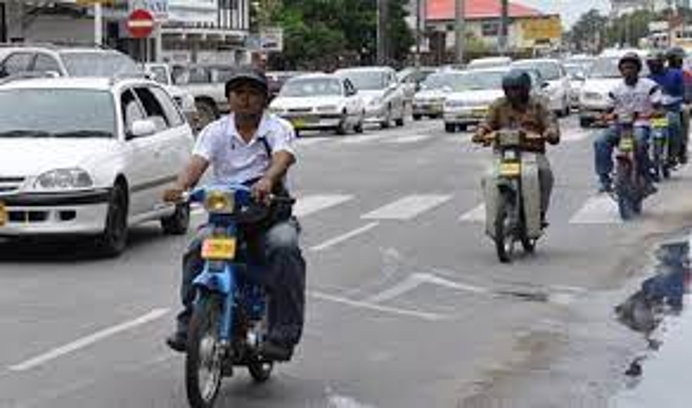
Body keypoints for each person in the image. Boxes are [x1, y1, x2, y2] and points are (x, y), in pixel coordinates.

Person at [163, 66, 306, 361]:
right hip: (226, 218)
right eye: (239, 92)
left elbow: (283, 156)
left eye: (253, 93)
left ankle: (283, 334)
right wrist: (180, 186)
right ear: (229, 98)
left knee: (285, 247)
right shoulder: (215, 131)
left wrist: (267, 180)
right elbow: (197, 162)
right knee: (196, 249)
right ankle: (189, 323)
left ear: (264, 99)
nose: (245, 99)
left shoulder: (277, 128)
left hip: (268, 216)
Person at [472, 69, 560, 225]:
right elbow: (486, 122)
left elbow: (550, 121)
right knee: (487, 177)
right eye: (509, 90)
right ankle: (493, 213)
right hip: (503, 153)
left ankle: (540, 213)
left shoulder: (539, 104)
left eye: (516, 89)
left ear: (526, 89)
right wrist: (480, 133)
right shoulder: (498, 105)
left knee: (545, 174)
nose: (513, 94)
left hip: (532, 152)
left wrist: (550, 132)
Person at [593, 52, 661, 193]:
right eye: (624, 68)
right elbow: (608, 109)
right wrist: (603, 117)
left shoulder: (650, 86)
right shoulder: (616, 89)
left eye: (631, 67)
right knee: (600, 141)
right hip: (620, 126)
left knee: (640, 142)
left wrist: (649, 114)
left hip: (640, 125)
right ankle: (604, 178)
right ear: (621, 71)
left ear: (638, 69)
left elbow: (659, 108)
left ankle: (647, 177)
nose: (628, 71)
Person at [647, 51, 684, 167]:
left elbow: (684, 90)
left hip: (672, 110)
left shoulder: (676, 74)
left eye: (654, 63)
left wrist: (684, 97)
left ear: (662, 63)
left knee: (674, 125)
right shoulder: (648, 78)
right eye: (650, 64)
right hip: (654, 112)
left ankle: (674, 155)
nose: (652, 66)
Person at [667, 46, 691, 164]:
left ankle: (682, 150)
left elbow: (688, 90)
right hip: (663, 106)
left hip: (680, 105)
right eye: (674, 59)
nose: (678, 62)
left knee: (685, 115)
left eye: (679, 60)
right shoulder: (663, 72)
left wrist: (687, 99)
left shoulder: (686, 74)